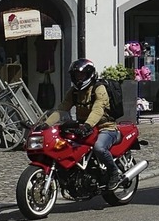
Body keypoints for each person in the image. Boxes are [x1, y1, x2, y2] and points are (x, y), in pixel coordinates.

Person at [44, 58, 121, 190]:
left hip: (105, 127)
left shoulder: (99, 88)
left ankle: (115, 173)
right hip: (83, 127)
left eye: (81, 75)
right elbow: (62, 108)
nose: (79, 78)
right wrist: (45, 124)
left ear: (89, 74)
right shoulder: (74, 91)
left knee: (99, 148)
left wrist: (87, 125)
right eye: (76, 75)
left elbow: (98, 109)